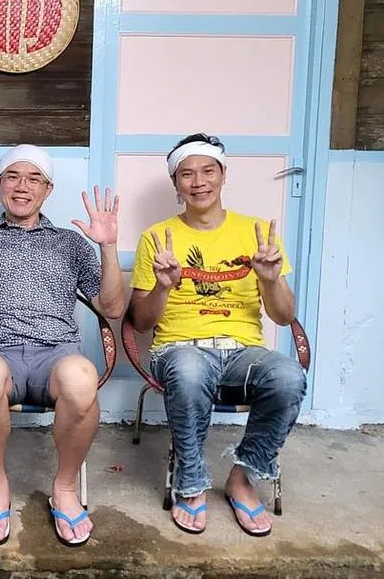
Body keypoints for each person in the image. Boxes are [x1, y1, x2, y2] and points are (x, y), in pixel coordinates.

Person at [0, 144, 127, 547]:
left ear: (47, 190)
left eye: (34, 179)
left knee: (82, 378)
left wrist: (107, 247)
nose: (22, 186)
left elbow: (113, 308)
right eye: (13, 177)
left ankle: (64, 488)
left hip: (56, 352)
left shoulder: (71, 243)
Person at [128, 133, 307, 537]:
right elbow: (139, 323)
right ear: (175, 183)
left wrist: (271, 278)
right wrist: (162, 287)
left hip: (243, 352)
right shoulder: (156, 238)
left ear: (224, 175)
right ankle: (191, 483)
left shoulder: (257, 232)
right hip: (179, 349)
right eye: (187, 174)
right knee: (190, 371)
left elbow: (284, 317)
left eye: (208, 171)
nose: (199, 182)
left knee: (288, 377)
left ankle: (242, 478)